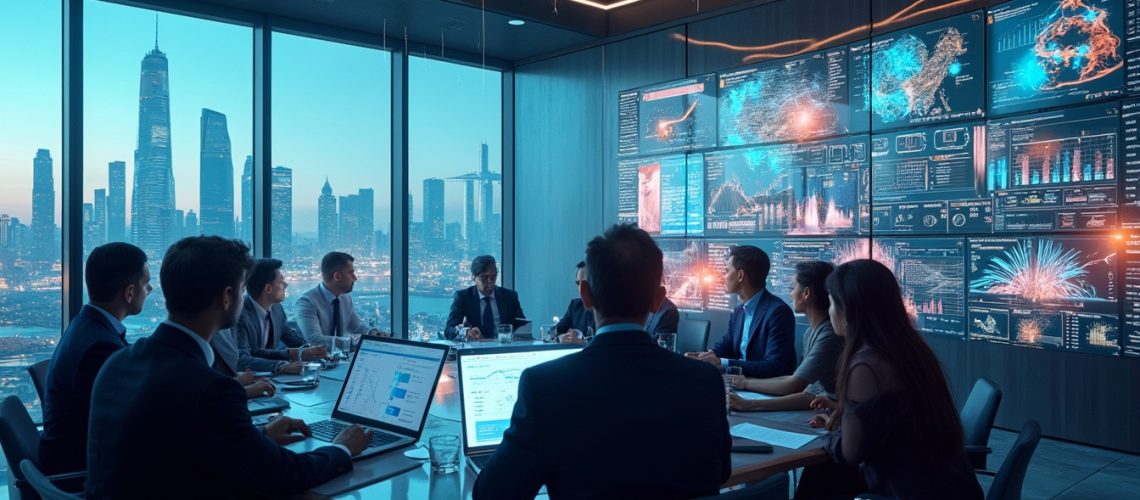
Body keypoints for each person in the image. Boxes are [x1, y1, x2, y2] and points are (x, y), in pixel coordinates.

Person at [86, 236, 372, 498]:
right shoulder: (211, 388)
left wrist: (257, 437)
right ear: (226, 297)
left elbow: (177, 447)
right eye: (240, 290)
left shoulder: (119, 361)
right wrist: (343, 447)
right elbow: (285, 474)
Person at [473, 224, 730, 499]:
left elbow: (493, 493)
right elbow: (720, 472)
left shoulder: (544, 387)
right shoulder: (704, 381)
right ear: (658, 299)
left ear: (585, 295)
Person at [798, 259, 983, 499]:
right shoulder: (909, 349)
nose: (829, 311)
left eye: (832, 303)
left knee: (821, 478)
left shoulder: (865, 364)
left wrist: (831, 434)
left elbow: (851, 453)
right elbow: (893, 417)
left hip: (910, 490)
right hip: (950, 484)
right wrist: (843, 416)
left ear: (849, 310)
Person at [39, 243, 151, 474]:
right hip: (84, 473)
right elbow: (132, 419)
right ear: (129, 292)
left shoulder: (87, 326)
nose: (149, 289)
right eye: (145, 283)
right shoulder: (100, 347)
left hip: (77, 460)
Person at [729, 261, 843, 412]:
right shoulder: (811, 332)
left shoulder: (828, 335)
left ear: (806, 293)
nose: (791, 293)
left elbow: (794, 384)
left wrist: (747, 390)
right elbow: (806, 390)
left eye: (792, 288)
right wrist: (747, 383)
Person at [686, 245, 796, 378]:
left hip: (765, 390)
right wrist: (701, 357)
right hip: (739, 384)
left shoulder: (778, 312)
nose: (723, 276)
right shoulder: (739, 311)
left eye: (726, 271)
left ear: (740, 275)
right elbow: (724, 346)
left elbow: (773, 366)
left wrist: (722, 362)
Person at [230, 258, 328, 373]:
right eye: (281, 281)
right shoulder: (240, 315)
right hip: (250, 382)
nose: (286, 285)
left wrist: (314, 352)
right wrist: (280, 365)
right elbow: (242, 360)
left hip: (272, 380)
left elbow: (294, 340)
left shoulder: (276, 309)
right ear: (268, 289)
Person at [295, 251, 384, 346]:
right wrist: (351, 343)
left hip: (336, 358)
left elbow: (356, 326)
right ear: (337, 276)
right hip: (313, 359)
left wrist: (373, 334)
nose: (355, 278)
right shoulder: (307, 302)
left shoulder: (345, 298)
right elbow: (314, 339)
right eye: (351, 273)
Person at [445, 255, 527, 340]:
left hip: (504, 346)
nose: (490, 282)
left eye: (493, 277)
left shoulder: (509, 297)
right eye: (484, 277)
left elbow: (522, 327)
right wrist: (465, 332)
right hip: (476, 348)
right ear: (473, 277)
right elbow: (448, 330)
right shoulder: (464, 297)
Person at [554, 262, 594, 338]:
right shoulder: (575, 306)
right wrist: (562, 337)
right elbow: (556, 331)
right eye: (578, 283)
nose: (581, 287)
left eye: (585, 282)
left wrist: (581, 339)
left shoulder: (604, 309)